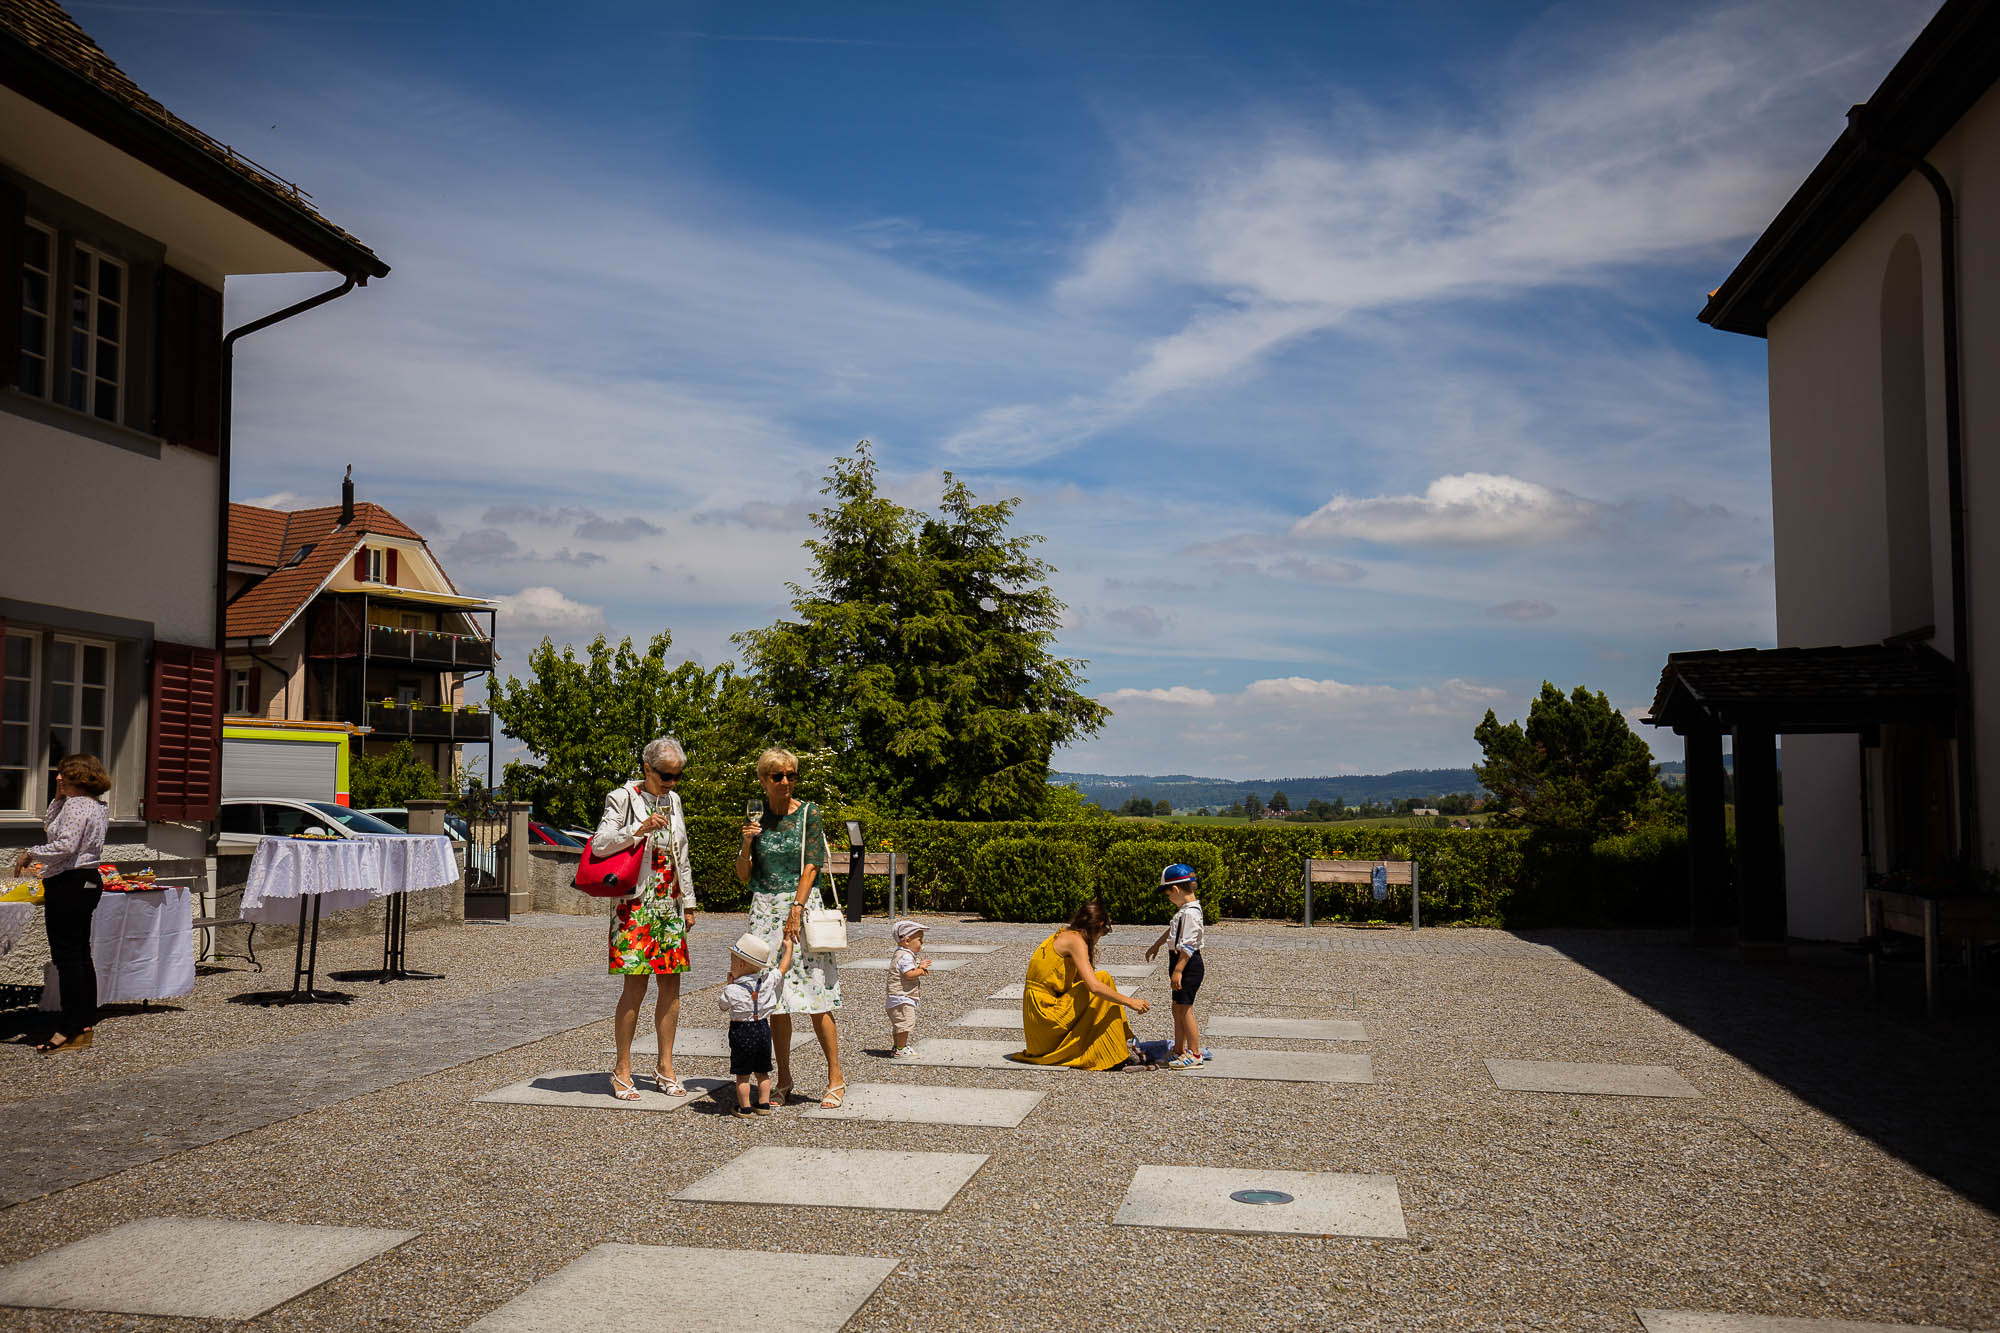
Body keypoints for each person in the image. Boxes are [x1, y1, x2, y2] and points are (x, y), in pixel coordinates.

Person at [737, 747, 846, 1108]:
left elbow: (812, 865)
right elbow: (743, 877)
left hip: (801, 906)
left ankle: (836, 1076)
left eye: (791, 775)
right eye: (777, 776)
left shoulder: (809, 814)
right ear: (763, 780)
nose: (785, 782)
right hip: (764, 909)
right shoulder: (758, 818)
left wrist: (796, 909)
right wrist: (746, 843)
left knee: (817, 995)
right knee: (776, 999)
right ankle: (783, 1078)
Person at [593, 736, 697, 1102]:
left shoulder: (674, 800)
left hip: (669, 901)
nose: (671, 783)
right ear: (647, 768)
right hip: (635, 904)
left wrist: (689, 903)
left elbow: (681, 853)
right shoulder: (623, 798)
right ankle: (622, 1069)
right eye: (666, 775)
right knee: (634, 987)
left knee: (671, 987)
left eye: (677, 776)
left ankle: (664, 1066)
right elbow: (599, 843)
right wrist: (637, 830)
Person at [13, 754, 112, 1053]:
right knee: (80, 956)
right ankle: (82, 1026)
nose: (57, 778)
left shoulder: (77, 804)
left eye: (62, 775)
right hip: (87, 880)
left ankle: (68, 1029)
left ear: (78, 777)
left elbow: (64, 845)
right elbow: (51, 826)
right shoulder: (95, 805)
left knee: (68, 959)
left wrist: (31, 853)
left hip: (69, 883)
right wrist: (56, 799)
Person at [1011, 899, 1150, 1070]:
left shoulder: (1065, 934)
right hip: (1046, 1020)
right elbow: (1095, 987)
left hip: (1038, 1031)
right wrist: (1130, 1002)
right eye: (1105, 931)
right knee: (1103, 979)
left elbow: (1080, 986)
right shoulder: (1075, 941)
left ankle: (1123, 1043)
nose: (1101, 936)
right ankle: (1122, 1046)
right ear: (1099, 925)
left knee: (1101, 991)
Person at [718, 930, 794, 1116]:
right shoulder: (767, 981)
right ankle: (764, 1104)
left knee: (742, 1075)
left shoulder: (733, 990)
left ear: (741, 963)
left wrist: (729, 985)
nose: (731, 966)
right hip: (762, 1029)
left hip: (741, 1032)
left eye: (732, 962)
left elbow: (722, 1006)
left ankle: (744, 1107)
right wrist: (788, 949)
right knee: (762, 1071)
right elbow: (782, 969)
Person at [1144, 863, 1207, 1069]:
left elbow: (1188, 946)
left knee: (1185, 1009)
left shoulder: (1191, 914)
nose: (1169, 898)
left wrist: (1179, 970)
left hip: (1187, 964)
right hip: (1178, 960)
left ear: (1177, 890)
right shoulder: (1184, 911)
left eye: (1169, 894)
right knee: (1176, 1008)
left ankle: (1195, 1053)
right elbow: (1172, 930)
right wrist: (1157, 945)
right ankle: (1179, 1049)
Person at [885, 919, 931, 1058]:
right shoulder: (905, 956)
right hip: (902, 997)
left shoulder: (903, 953)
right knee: (905, 1022)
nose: (922, 943)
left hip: (898, 997)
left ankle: (898, 1046)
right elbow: (909, 974)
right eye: (920, 940)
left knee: (900, 1023)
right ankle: (901, 1048)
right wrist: (921, 970)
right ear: (907, 941)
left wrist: (919, 965)